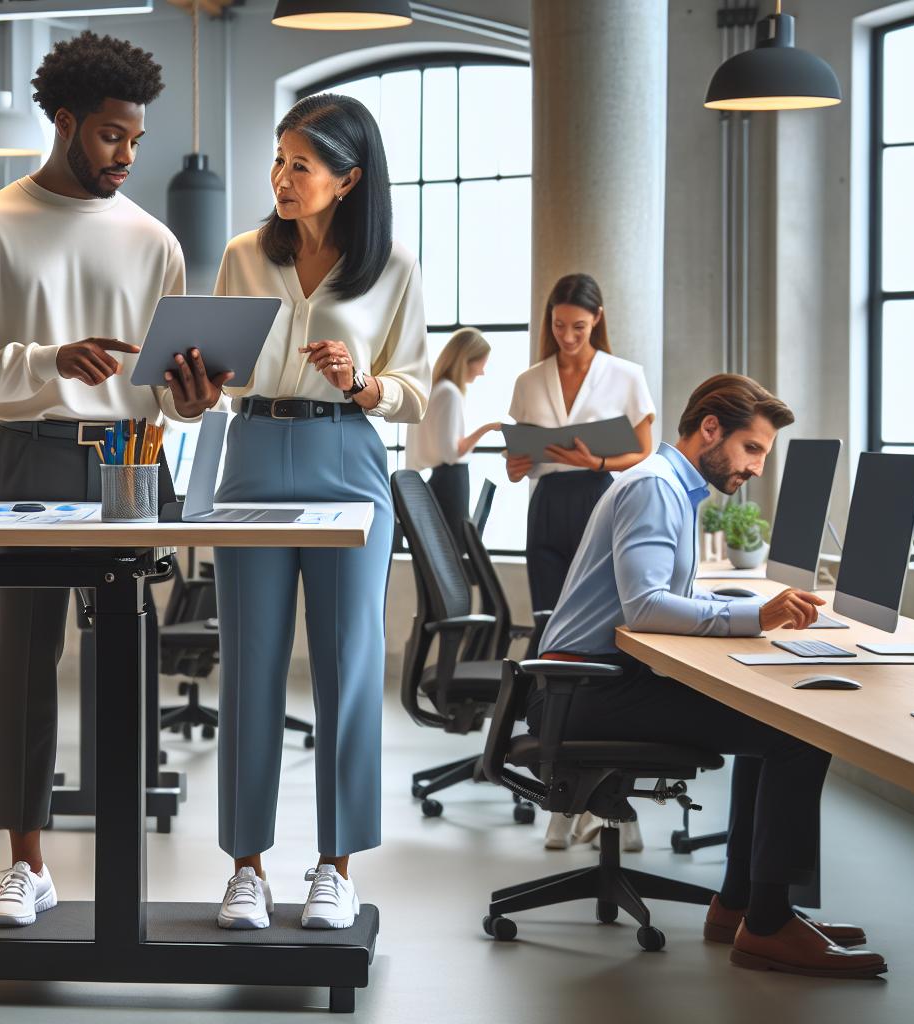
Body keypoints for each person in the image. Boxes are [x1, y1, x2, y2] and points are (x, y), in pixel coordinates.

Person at [0, 32, 224, 928]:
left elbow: (168, 392)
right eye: (109, 137)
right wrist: (50, 359)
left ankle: (124, 857)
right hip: (27, 458)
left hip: (134, 458)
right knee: (22, 663)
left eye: (135, 139)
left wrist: (193, 399)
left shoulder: (156, 242)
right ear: (64, 122)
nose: (127, 156)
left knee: (127, 659)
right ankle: (27, 863)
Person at [534, 373, 885, 979]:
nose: (755, 469)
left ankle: (740, 906)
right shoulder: (654, 489)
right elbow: (645, 607)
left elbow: (659, 598)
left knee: (770, 717)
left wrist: (733, 608)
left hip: (597, 680)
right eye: (752, 450)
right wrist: (751, 615)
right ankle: (769, 926)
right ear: (710, 429)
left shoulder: (669, 486)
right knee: (802, 731)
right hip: (586, 689)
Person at [208, 93, 429, 931]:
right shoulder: (241, 255)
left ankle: (335, 867)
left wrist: (365, 384)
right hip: (253, 453)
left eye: (302, 165)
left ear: (348, 179)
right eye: (278, 160)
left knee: (347, 668)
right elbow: (216, 369)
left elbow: (412, 390)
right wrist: (196, 382)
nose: (283, 178)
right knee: (252, 668)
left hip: (347, 458)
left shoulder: (393, 268)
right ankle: (245, 868)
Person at [505, 273, 655, 851]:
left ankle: (617, 805)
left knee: (606, 647)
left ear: (597, 322)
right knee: (552, 643)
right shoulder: (528, 380)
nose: (567, 337)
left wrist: (597, 460)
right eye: (558, 325)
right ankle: (560, 798)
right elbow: (520, 458)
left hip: (603, 502)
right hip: (547, 509)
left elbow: (642, 451)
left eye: (579, 327)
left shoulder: (626, 376)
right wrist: (518, 464)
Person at [405, 327, 500, 540]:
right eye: (481, 363)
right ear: (466, 360)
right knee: (454, 552)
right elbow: (452, 453)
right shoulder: (449, 393)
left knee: (440, 553)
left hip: (438, 482)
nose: (482, 371)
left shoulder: (435, 390)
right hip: (451, 483)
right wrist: (487, 428)